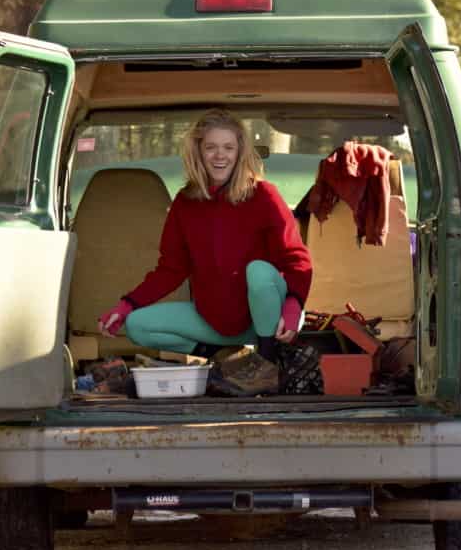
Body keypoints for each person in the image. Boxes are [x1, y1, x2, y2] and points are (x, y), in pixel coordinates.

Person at [97, 108, 312, 391]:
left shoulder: (264, 195)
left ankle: (267, 365)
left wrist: (294, 305)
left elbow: (297, 259)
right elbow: (170, 269)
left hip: (270, 318)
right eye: (210, 147)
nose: (219, 155)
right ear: (198, 151)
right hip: (215, 319)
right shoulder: (185, 203)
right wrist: (126, 306)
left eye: (228, 148)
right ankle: (227, 360)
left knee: (258, 271)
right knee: (137, 324)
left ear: (240, 152)